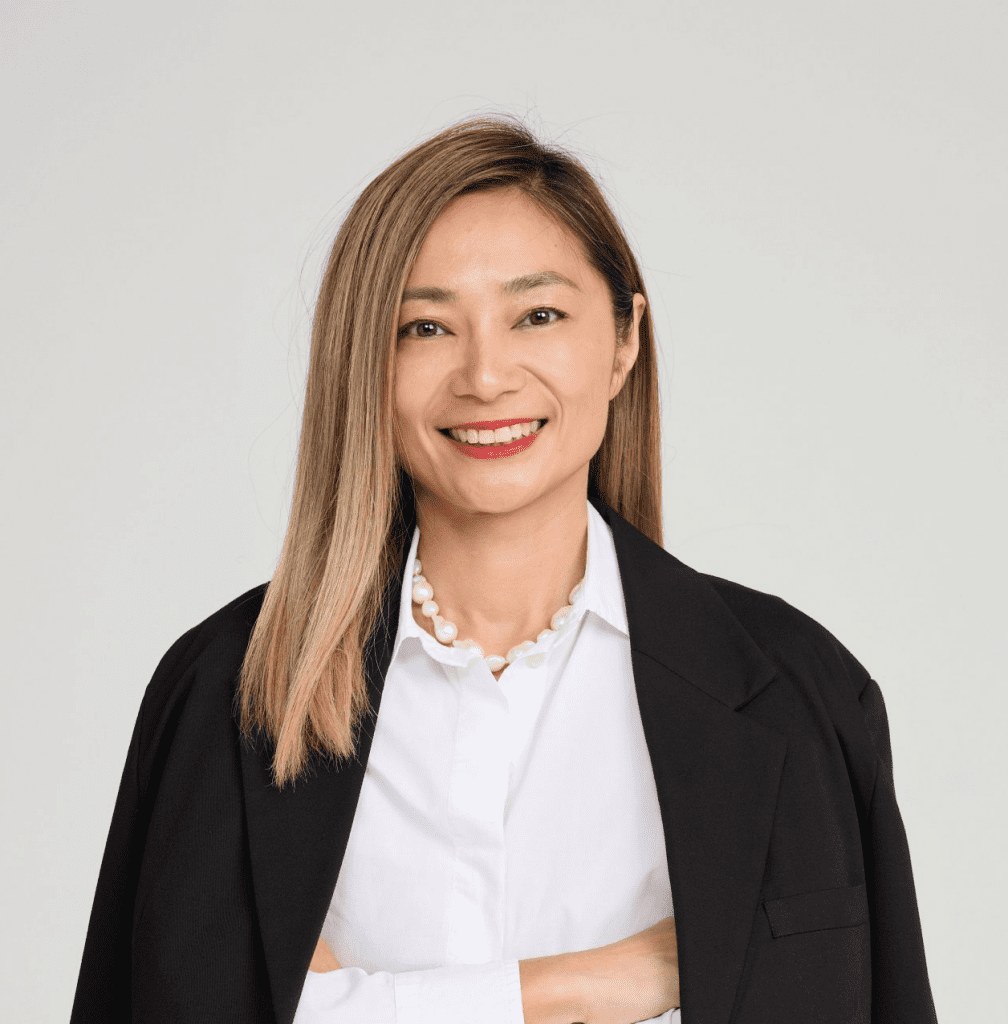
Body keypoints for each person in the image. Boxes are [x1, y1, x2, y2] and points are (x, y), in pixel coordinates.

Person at [70, 115, 937, 1024]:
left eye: (539, 315)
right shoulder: (230, 692)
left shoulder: (801, 695)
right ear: (365, 366)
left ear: (624, 340)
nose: (485, 377)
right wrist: (602, 983)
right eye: (425, 327)